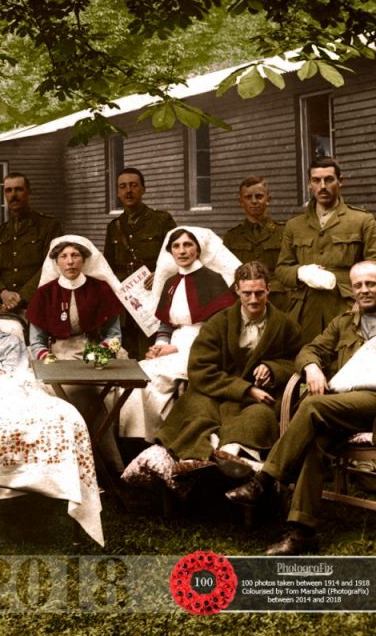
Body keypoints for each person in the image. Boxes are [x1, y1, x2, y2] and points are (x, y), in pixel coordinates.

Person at [226, 260, 376, 555]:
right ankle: (302, 531)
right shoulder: (344, 322)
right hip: (341, 405)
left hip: (372, 405)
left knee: (310, 406)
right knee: (315, 443)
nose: (364, 290)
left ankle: (264, 481)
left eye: (371, 284)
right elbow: (310, 349)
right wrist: (311, 367)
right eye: (358, 285)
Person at [157, 261, 302, 481]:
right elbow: (200, 367)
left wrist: (273, 368)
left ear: (268, 290)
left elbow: (296, 359)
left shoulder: (284, 324)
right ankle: (196, 459)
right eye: (247, 293)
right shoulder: (218, 323)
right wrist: (245, 389)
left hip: (259, 398)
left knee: (259, 417)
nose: (253, 300)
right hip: (215, 391)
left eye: (259, 293)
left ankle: (230, 454)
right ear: (237, 291)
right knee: (197, 413)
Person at [118, 227, 240, 442]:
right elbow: (166, 323)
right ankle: (137, 440)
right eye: (176, 246)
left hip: (202, 349)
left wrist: (177, 349)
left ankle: (161, 437)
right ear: (170, 252)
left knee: (151, 379)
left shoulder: (213, 280)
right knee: (135, 376)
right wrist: (160, 345)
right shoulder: (171, 282)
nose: (182, 251)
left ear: (198, 250)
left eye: (188, 245)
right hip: (173, 347)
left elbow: (218, 328)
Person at [26, 234, 125, 469]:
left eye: (75, 256)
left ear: (84, 260)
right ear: (56, 262)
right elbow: (36, 341)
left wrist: (100, 354)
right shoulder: (45, 293)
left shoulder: (100, 289)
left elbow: (114, 336)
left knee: (92, 394)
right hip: (57, 355)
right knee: (79, 395)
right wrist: (48, 359)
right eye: (63, 256)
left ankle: (82, 465)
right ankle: (108, 464)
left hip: (95, 353)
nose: (69, 261)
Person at [275, 156, 376, 342]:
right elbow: (282, 270)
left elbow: (374, 265)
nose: (322, 186)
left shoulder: (361, 221)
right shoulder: (294, 225)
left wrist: (361, 304)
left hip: (346, 307)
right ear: (309, 185)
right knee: (308, 360)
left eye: (329, 179)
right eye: (316, 180)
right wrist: (302, 272)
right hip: (306, 312)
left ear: (340, 181)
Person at [104, 167, 177, 358]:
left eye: (134, 185)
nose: (129, 191)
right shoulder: (114, 227)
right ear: (118, 193)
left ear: (143, 189)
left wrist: (161, 274)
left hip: (152, 294)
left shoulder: (161, 221)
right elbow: (108, 266)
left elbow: (177, 255)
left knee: (152, 349)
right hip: (126, 300)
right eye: (123, 187)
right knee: (127, 350)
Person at [0, 172, 62, 313]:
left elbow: (51, 265)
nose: (13, 195)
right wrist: (2, 292)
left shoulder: (48, 226)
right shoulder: (0, 232)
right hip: (5, 304)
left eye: (19, 189)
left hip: (39, 302)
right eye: (8, 190)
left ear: (29, 192)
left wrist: (23, 296)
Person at [223, 175, 289, 311]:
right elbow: (227, 275)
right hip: (244, 304)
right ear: (241, 201)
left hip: (279, 303)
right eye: (248, 197)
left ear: (268, 200)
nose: (254, 201)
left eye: (259, 196)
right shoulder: (232, 237)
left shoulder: (284, 232)